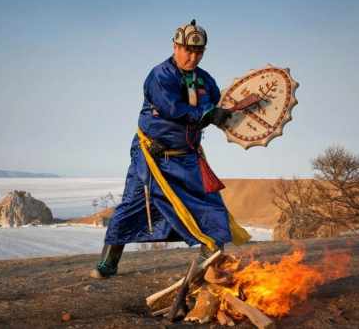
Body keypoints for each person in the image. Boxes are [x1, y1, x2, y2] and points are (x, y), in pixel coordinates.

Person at [90, 19, 251, 279]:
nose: (192, 56)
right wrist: (209, 113)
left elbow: (217, 107)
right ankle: (108, 263)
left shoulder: (205, 80)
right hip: (152, 157)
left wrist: (232, 114)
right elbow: (174, 109)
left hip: (188, 158)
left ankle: (208, 265)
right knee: (134, 205)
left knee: (210, 206)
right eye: (187, 49)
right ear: (175, 46)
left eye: (198, 52)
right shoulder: (160, 75)